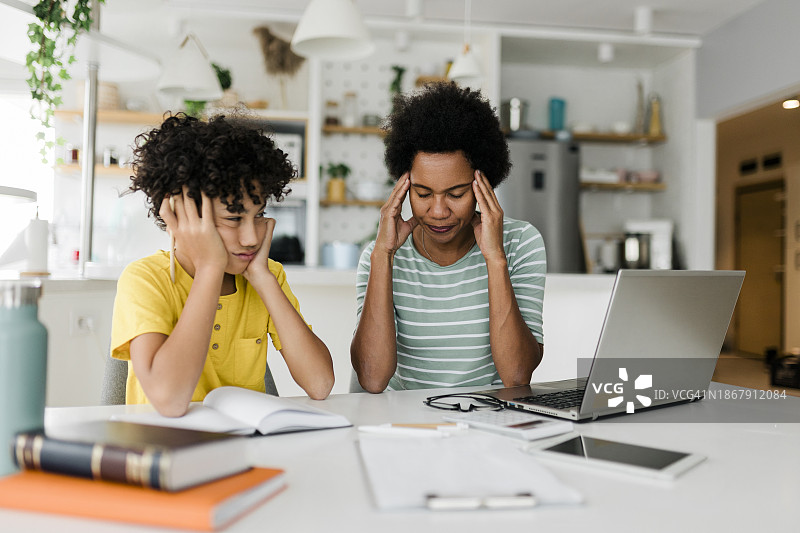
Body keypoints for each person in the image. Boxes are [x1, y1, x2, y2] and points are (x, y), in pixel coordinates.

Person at [111, 113, 334, 416]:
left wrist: (264, 280)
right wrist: (210, 269)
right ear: (181, 214)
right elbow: (169, 400)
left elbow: (320, 383)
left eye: (258, 215)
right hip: (166, 450)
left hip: (241, 449)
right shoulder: (145, 279)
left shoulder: (266, 276)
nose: (251, 237)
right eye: (233, 219)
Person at [351, 82, 545, 393]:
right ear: (404, 188)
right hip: (406, 425)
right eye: (423, 193)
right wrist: (382, 256)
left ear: (483, 187)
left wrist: (495, 258)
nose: (438, 211)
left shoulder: (520, 242)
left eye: (456, 194)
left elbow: (517, 375)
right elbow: (373, 379)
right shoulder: (381, 255)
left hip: (489, 423)